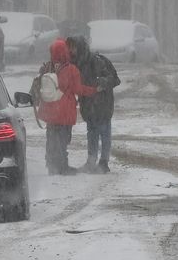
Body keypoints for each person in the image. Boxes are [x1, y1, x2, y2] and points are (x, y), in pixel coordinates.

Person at [37, 39, 99, 175]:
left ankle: (51, 165)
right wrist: (93, 90)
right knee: (63, 140)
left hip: (50, 111)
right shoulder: (71, 70)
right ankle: (62, 166)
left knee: (51, 138)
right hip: (64, 111)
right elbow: (78, 89)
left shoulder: (47, 67)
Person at [67, 36, 121, 173]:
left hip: (102, 104)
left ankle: (103, 162)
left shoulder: (96, 61)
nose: (71, 50)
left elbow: (114, 79)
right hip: (88, 104)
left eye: (73, 47)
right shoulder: (75, 63)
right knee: (91, 132)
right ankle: (91, 161)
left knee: (104, 132)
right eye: (69, 47)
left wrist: (101, 83)